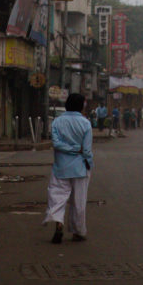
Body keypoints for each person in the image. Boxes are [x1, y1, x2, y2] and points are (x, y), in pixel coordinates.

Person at [43, 92, 95, 243]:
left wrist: (69, 149)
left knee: (57, 197)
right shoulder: (85, 123)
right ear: (81, 106)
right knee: (79, 201)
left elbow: (56, 143)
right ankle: (78, 231)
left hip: (61, 167)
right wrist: (87, 162)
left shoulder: (57, 122)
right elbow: (86, 150)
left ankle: (59, 223)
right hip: (80, 168)